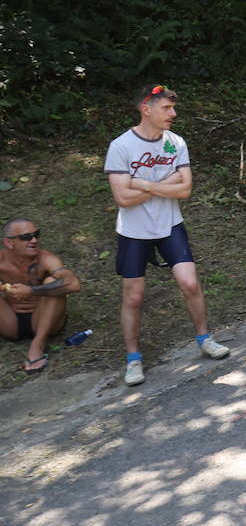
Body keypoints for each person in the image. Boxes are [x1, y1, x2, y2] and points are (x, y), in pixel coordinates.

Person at [105, 85, 230, 387]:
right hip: (134, 231)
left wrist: (144, 184)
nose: (173, 114)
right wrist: (166, 182)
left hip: (170, 224)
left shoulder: (176, 143)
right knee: (133, 297)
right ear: (145, 109)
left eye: (173, 108)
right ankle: (133, 359)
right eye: (166, 108)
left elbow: (185, 190)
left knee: (190, 283)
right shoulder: (121, 146)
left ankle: (204, 339)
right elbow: (123, 198)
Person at [0, 218, 83, 375]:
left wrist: (31, 291)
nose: (34, 240)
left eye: (36, 235)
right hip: (10, 322)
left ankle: (38, 344)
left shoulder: (45, 259)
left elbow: (73, 284)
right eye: (26, 237)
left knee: (53, 283)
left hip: (43, 320)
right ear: (9, 243)